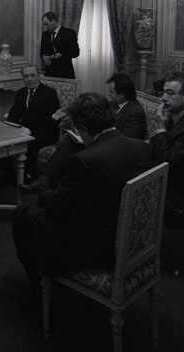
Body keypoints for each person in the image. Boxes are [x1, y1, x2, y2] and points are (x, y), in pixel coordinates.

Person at [12, 92, 153, 288]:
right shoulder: (142, 147)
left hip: (96, 250)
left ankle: (40, 281)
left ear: (85, 129)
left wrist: (43, 193)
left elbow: (57, 211)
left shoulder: (85, 161)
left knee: (22, 214)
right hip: (133, 240)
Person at [150, 72, 184, 229]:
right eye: (164, 92)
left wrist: (160, 128)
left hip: (178, 201)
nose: (163, 98)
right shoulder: (173, 116)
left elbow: (169, 163)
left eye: (170, 93)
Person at [8, 65, 60, 178]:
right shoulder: (20, 93)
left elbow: (53, 121)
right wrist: (11, 129)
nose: (30, 79)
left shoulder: (49, 93)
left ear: (38, 76)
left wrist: (30, 132)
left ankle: (28, 176)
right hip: (25, 130)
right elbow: (13, 115)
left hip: (45, 133)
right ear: (22, 78)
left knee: (29, 144)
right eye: (26, 76)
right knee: (6, 141)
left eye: (32, 75)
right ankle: (8, 175)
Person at [106, 72, 147, 140]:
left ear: (122, 94)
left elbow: (127, 140)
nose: (109, 94)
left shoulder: (135, 113)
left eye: (112, 92)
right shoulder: (113, 104)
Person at [40, 11, 79, 79]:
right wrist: (43, 57)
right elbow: (41, 51)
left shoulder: (69, 33)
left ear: (53, 21)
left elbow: (76, 52)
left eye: (46, 24)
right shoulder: (45, 35)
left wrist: (61, 55)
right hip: (50, 73)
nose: (45, 27)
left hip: (65, 73)